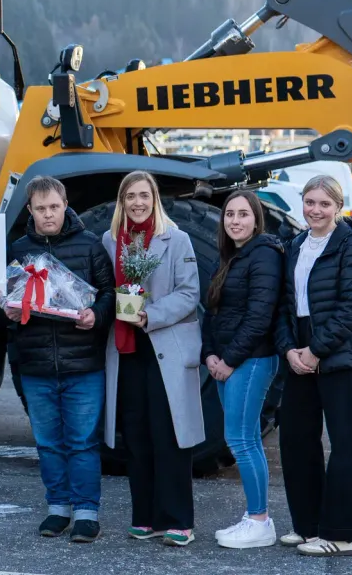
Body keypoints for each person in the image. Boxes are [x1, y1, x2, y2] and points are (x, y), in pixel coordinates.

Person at [0, 176, 114, 543]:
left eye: (54, 207)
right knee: (47, 442)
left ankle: (87, 512)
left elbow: (108, 293)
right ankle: (58, 508)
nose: (48, 214)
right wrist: (7, 313)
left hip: (83, 365)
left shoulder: (91, 247)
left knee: (82, 442)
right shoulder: (18, 250)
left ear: (65, 206)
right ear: (30, 209)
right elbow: (5, 301)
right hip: (36, 365)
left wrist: (98, 316)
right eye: (40, 208)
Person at [101, 170, 203, 547]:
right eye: (131, 196)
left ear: (155, 199)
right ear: (122, 202)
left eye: (144, 195)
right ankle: (144, 516)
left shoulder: (177, 240)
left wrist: (150, 315)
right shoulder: (110, 241)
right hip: (126, 351)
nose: (138, 203)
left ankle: (178, 520)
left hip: (165, 348)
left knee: (170, 434)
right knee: (137, 436)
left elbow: (189, 293)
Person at [275, 175, 352, 557]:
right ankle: (308, 526)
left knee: (344, 444)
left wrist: (315, 351)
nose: (315, 210)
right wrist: (289, 351)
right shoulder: (296, 244)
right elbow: (285, 306)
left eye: (324, 204)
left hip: (341, 356)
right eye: (310, 202)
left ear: (337, 207)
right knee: (297, 439)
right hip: (300, 352)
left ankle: (341, 534)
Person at [201, 190, 283, 549]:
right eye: (229, 214)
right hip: (228, 361)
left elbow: (259, 317)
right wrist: (209, 356)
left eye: (243, 214)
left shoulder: (264, 254)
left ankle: (260, 521)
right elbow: (214, 312)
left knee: (241, 440)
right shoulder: (233, 256)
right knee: (244, 438)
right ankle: (255, 517)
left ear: (256, 219)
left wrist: (229, 360)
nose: (235, 220)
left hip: (250, 361)